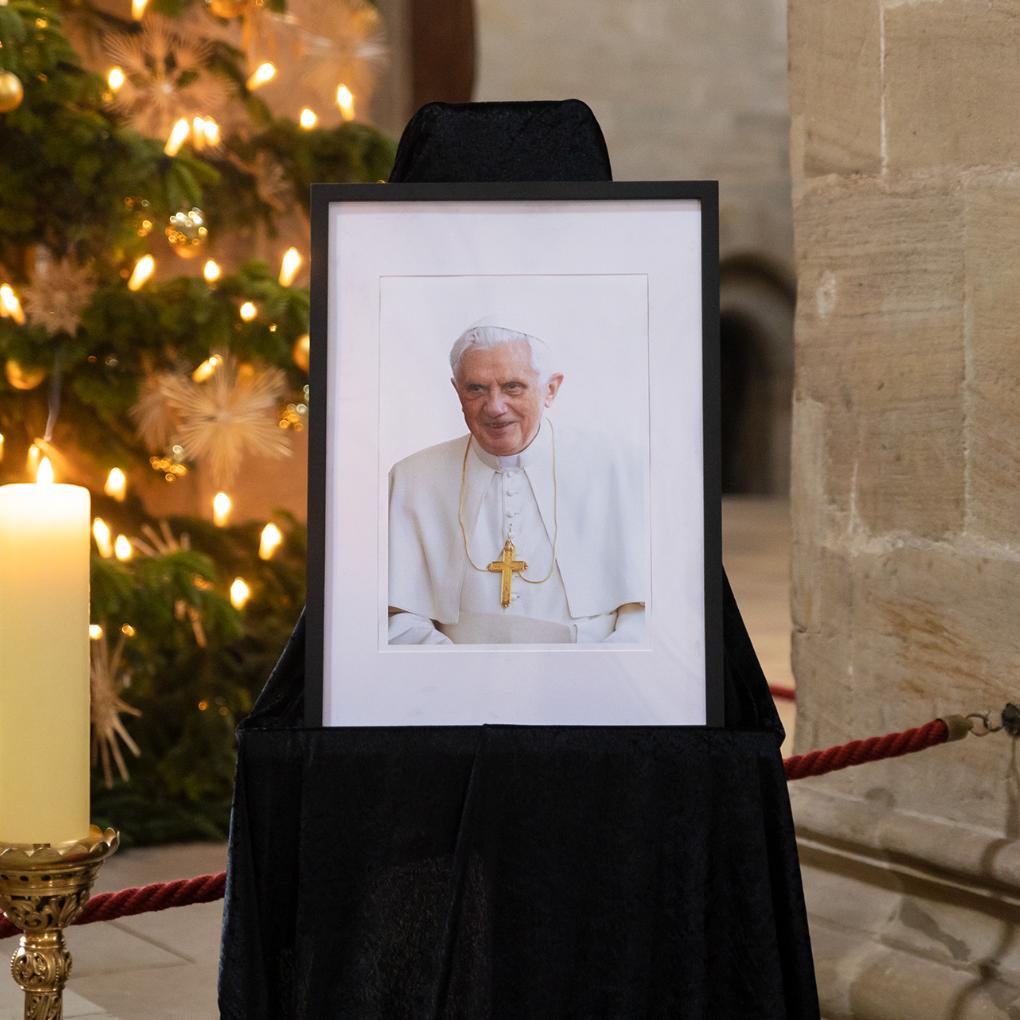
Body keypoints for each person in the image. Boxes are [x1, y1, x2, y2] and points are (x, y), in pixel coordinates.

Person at [388, 320, 646, 644]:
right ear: (457, 390)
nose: (495, 407)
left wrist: (596, 676)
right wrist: (456, 679)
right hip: (453, 685)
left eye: (512, 386)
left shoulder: (615, 470)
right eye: (476, 389)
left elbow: (643, 613)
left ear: (551, 389)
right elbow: (400, 619)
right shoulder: (414, 479)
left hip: (591, 681)